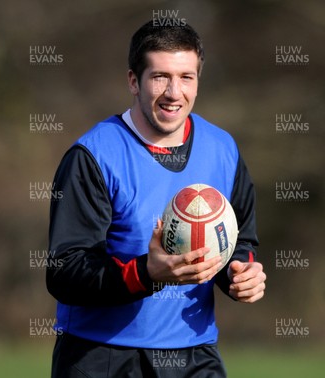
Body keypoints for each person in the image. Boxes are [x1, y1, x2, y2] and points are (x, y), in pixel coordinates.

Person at [46, 19, 266, 378]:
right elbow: (64, 271)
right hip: (101, 356)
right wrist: (145, 274)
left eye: (186, 77)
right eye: (160, 76)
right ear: (134, 81)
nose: (174, 92)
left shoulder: (223, 149)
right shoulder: (93, 156)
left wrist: (240, 274)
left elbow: (239, 242)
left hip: (193, 354)